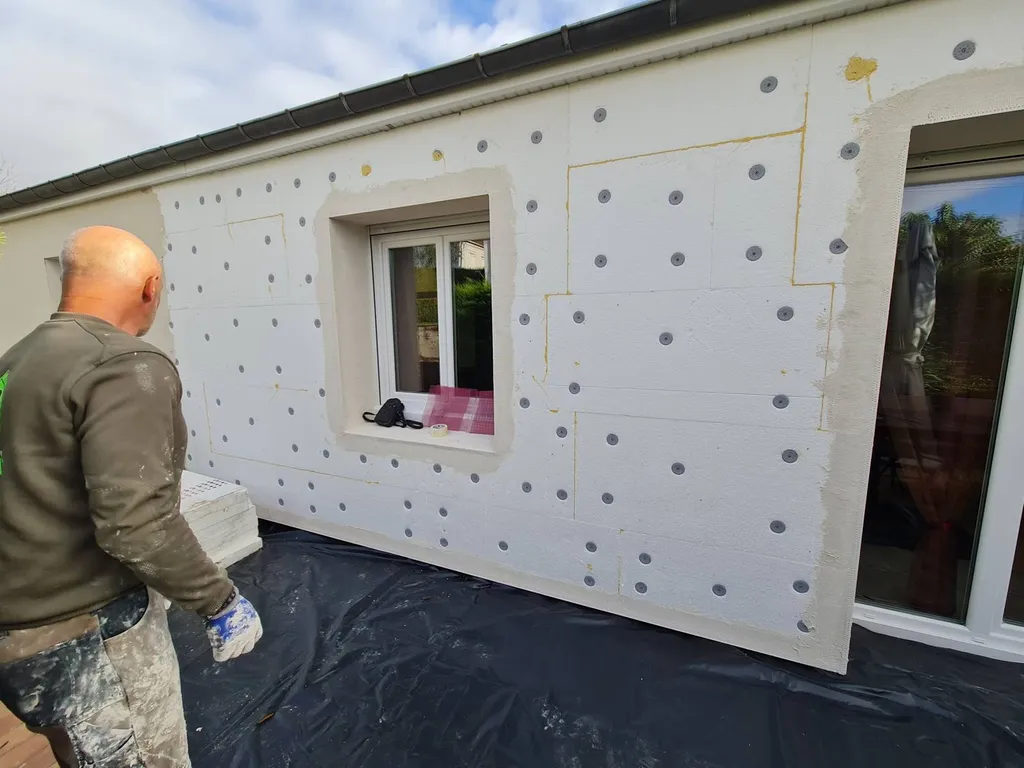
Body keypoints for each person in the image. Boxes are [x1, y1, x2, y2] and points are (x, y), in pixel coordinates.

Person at [0, 226, 263, 767]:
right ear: (150, 287)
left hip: (19, 635)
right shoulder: (124, 365)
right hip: (86, 631)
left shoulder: (16, 361)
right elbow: (135, 522)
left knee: (78, 752)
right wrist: (221, 603)